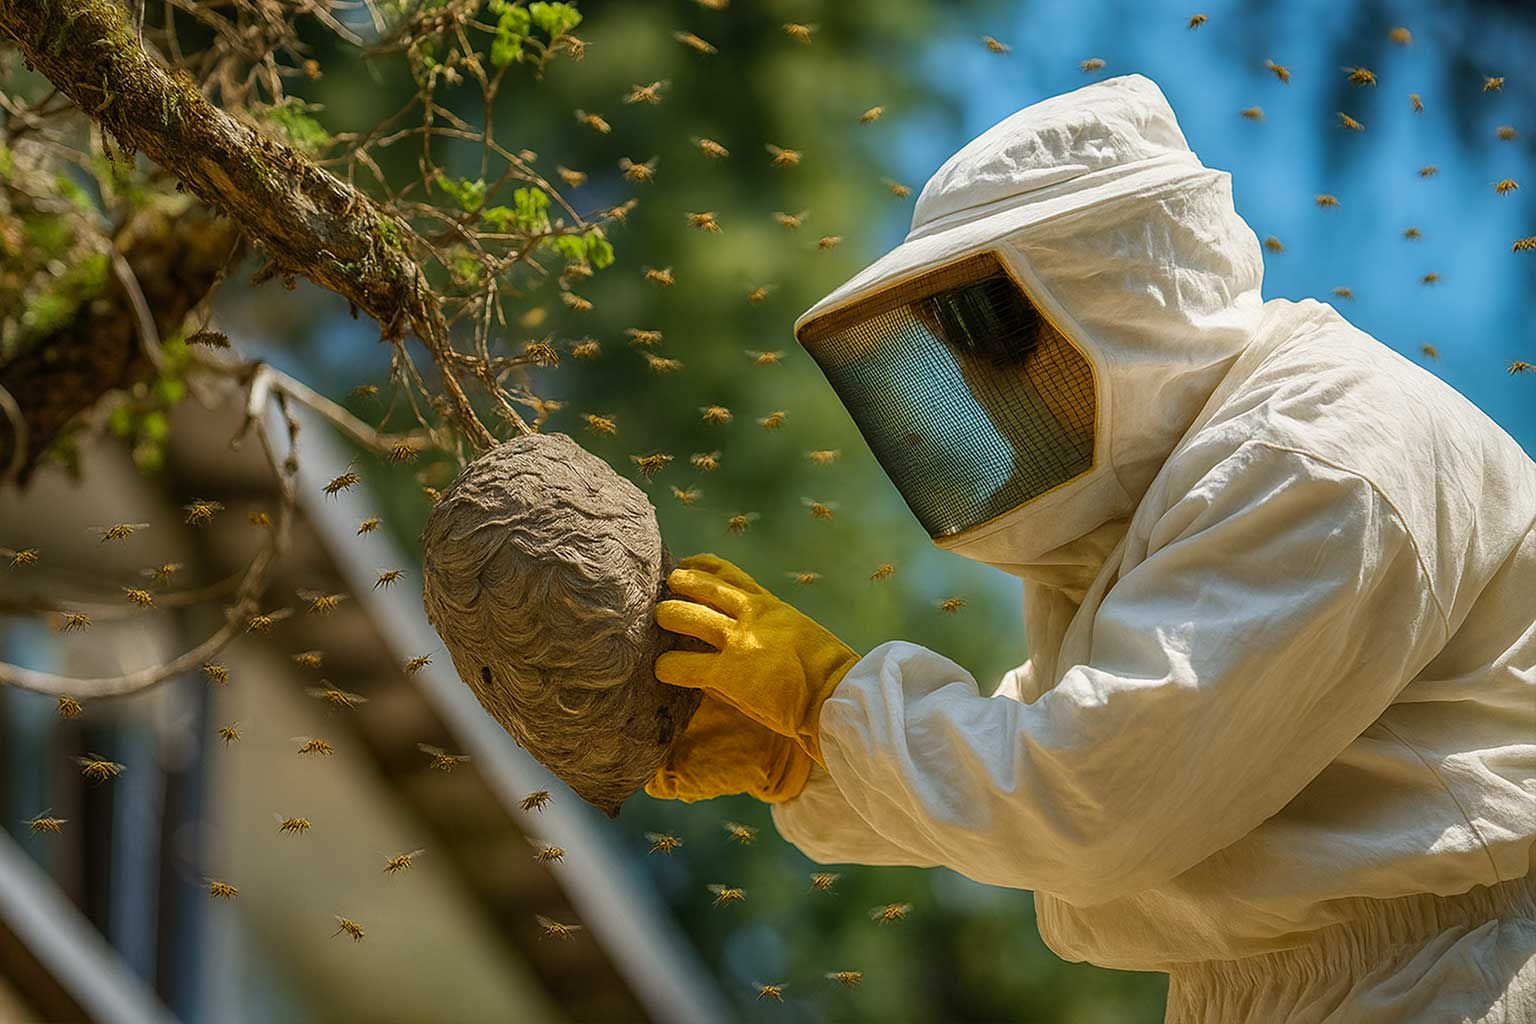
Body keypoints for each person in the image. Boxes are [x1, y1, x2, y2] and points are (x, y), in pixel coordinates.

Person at [644, 75, 1536, 1023]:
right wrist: (813, 765)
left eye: (991, 329)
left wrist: (830, 704)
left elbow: (1085, 796)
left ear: (1115, 294)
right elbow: (1046, 742)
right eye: (950, 346)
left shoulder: (1316, 459)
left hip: (1453, 981)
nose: (976, 389)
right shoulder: (1183, 496)